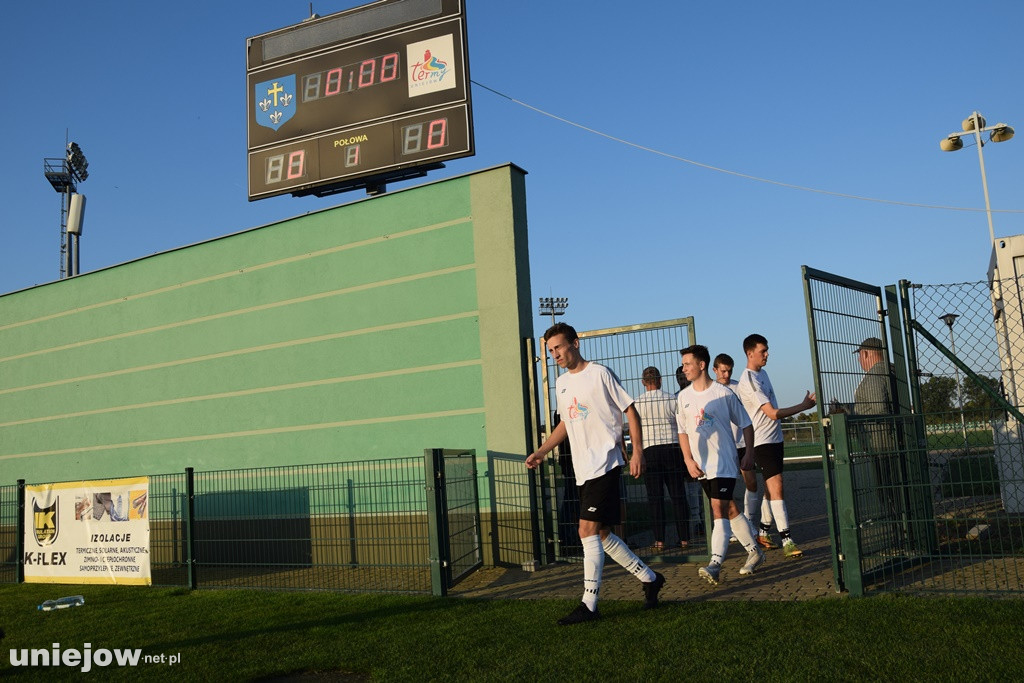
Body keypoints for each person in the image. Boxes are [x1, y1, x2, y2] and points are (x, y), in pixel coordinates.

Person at [526, 323, 665, 624]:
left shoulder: (600, 374)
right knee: (601, 534)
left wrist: (637, 450)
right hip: (583, 469)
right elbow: (565, 424)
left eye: (559, 347)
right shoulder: (562, 384)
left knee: (585, 531)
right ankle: (650, 578)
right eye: (550, 351)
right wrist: (542, 451)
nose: (555, 355)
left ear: (574, 343)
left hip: (605, 463)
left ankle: (589, 604)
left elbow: (630, 410)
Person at [676, 345, 765, 585]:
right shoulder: (683, 397)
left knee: (718, 508)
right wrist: (688, 460)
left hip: (724, 462)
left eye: (687, 364)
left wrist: (749, 454)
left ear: (701, 365)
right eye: (683, 364)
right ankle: (755, 551)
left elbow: (746, 424)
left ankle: (715, 564)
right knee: (730, 509)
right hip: (701, 466)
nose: (684, 369)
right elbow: (682, 432)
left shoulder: (723, 393)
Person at [736, 334, 816, 558]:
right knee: (777, 487)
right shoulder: (749, 380)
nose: (767, 354)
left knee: (773, 490)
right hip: (762, 441)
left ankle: (762, 532)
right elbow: (771, 413)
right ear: (750, 353)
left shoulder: (764, 374)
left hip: (776, 439)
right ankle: (787, 539)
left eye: (767, 350)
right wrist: (803, 406)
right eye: (763, 351)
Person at [635, 366, 690, 551]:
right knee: (678, 496)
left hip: (650, 450)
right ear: (660, 380)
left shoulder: (638, 403)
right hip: (673, 447)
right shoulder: (672, 398)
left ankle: (659, 540)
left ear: (643, 382)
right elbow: (682, 424)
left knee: (655, 498)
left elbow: (636, 430)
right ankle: (684, 539)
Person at [713, 353, 760, 544]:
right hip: (723, 448)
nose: (726, 374)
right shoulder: (711, 390)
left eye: (729, 370)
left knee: (752, 483)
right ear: (714, 370)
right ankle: (734, 527)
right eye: (723, 370)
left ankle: (748, 521)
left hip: (741, 444)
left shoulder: (738, 388)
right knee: (725, 491)